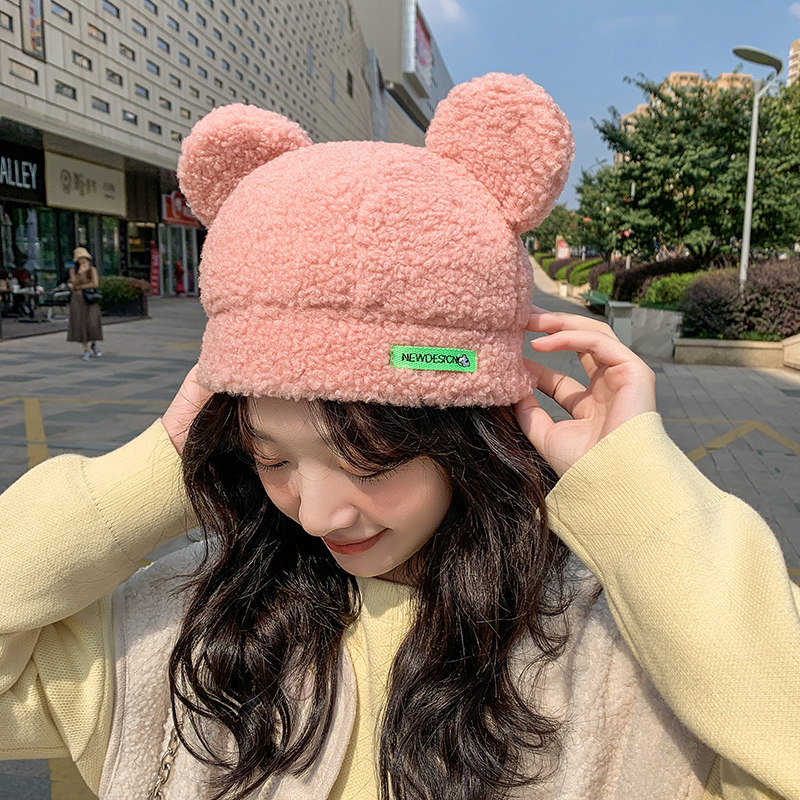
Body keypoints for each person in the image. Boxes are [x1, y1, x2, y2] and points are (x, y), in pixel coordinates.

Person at [1, 73, 798, 800]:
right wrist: (155, 469)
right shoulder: (181, 630)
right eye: (270, 456)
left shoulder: (621, 654)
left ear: (468, 435)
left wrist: (643, 502)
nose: (317, 514)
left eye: (369, 461)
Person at [67, 246, 103, 360]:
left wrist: (80, 286)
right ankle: (85, 349)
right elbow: (73, 284)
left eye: (84, 258)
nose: (82, 260)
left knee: (92, 323)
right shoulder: (73, 270)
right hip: (78, 300)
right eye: (80, 258)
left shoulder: (92, 269)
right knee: (80, 324)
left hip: (90, 299)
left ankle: (94, 343)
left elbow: (95, 284)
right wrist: (79, 274)